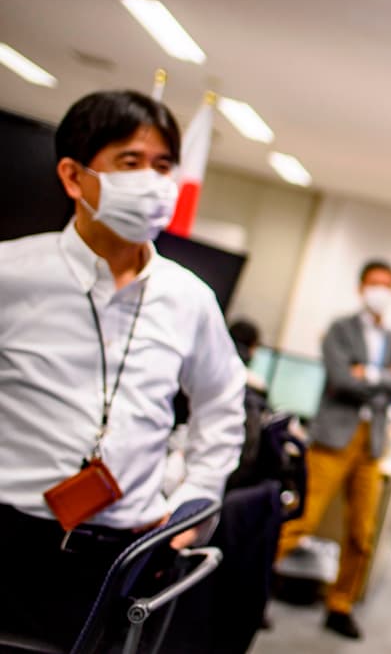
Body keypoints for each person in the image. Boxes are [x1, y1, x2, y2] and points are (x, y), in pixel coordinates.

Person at [0, 90, 246, 648]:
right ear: (73, 176)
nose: (152, 182)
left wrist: (194, 503)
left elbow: (222, 404)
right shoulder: (11, 275)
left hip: (123, 554)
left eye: (163, 166)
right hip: (12, 533)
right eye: (130, 163)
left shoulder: (190, 299)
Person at [275, 260, 391, 639]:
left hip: (371, 442)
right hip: (334, 438)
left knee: (361, 534)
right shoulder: (341, 329)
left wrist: (364, 374)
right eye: (374, 283)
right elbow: (339, 379)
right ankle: (256, 588)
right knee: (302, 520)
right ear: (361, 287)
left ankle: (340, 603)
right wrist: (384, 378)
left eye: (387, 285)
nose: (380, 291)